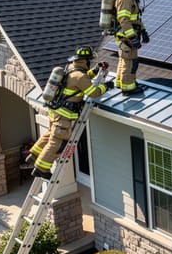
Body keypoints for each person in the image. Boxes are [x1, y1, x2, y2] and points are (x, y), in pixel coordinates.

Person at [27, 47, 113, 180]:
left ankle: (33, 155)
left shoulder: (70, 69)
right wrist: (106, 86)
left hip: (55, 111)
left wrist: (95, 71)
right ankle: (41, 169)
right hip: (64, 115)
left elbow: (81, 79)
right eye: (89, 61)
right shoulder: (80, 76)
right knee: (57, 142)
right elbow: (93, 92)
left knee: (50, 134)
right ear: (85, 61)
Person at [114, 0, 148, 95]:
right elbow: (124, 20)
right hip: (126, 37)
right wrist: (132, 37)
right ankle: (128, 88)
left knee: (124, 60)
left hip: (128, 36)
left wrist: (143, 31)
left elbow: (135, 19)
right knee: (130, 62)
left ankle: (122, 82)